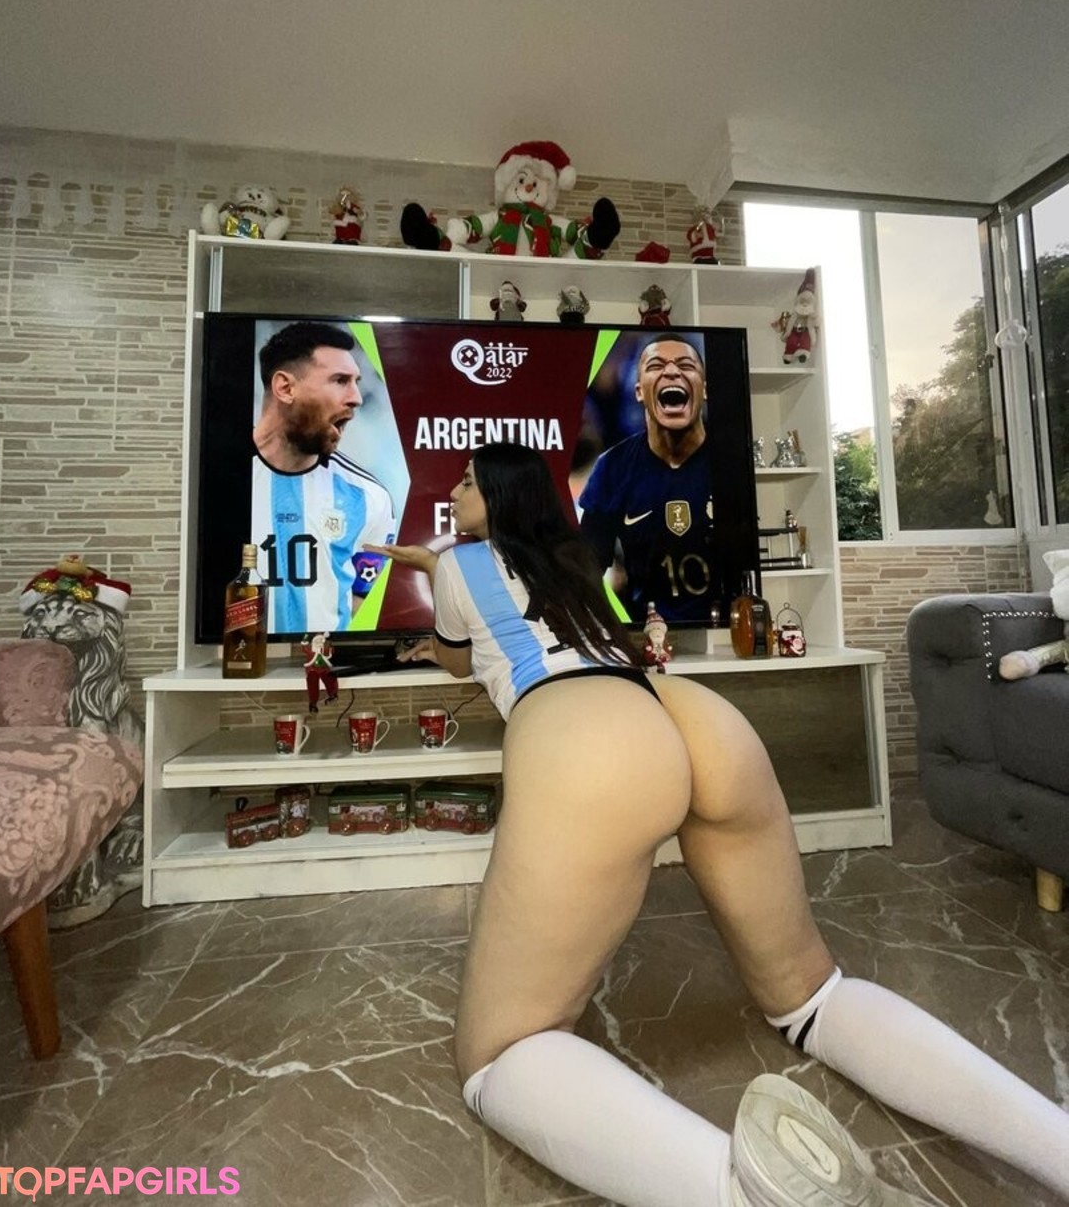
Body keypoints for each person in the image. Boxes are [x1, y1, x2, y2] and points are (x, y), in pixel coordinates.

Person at [368, 440, 1069, 1207]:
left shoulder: (459, 562)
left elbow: (457, 659)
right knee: (813, 996)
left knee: (498, 1054)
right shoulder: (571, 559)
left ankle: (749, 1195)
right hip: (688, 711)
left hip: (587, 736)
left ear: (499, 496)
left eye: (468, 481)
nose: (454, 492)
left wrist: (430, 569)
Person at [252, 320, 395, 634]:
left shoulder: (369, 497)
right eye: (340, 380)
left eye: (356, 382)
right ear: (285, 388)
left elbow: (359, 596)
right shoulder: (218, 481)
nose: (356, 398)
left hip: (325, 660)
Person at [579, 333, 718, 622]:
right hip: (643, 631)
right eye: (656, 365)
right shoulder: (612, 467)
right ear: (639, 391)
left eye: (685, 365)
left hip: (724, 624)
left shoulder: (729, 459)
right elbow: (586, 571)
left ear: (704, 389)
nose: (672, 371)